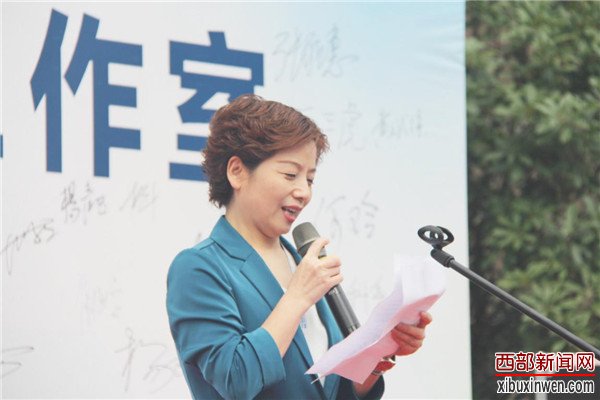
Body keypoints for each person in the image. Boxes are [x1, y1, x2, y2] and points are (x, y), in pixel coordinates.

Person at [166, 94, 432, 399]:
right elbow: (235, 379)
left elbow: (332, 390)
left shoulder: (301, 262)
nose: (304, 192)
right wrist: (297, 298)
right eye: (290, 175)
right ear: (237, 171)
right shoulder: (199, 267)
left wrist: (375, 356)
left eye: (310, 179)